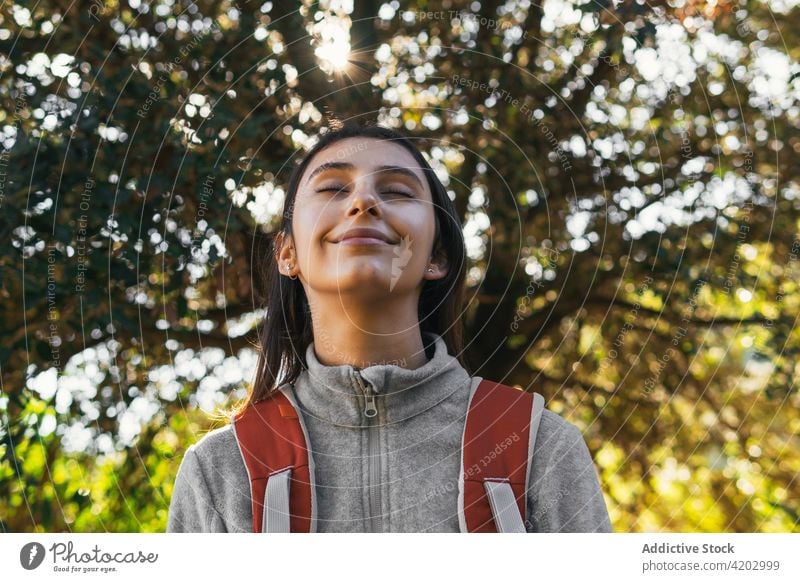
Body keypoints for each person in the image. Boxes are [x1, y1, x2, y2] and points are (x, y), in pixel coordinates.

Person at [166, 121, 612, 533]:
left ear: (437, 255)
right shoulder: (221, 469)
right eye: (332, 188)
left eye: (397, 191)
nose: (363, 202)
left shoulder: (539, 447)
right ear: (288, 254)